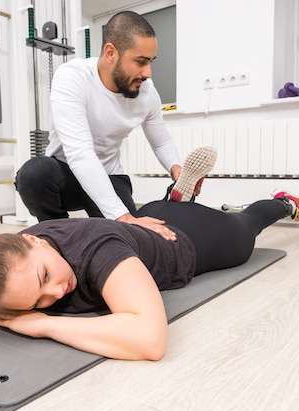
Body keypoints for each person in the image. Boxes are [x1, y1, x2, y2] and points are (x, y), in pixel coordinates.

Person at [0, 181, 299, 362]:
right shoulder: (17, 252)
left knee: (248, 225)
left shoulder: (99, 253)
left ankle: (283, 203)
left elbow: (150, 341)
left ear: (34, 239)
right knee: (161, 211)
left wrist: (42, 325)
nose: (56, 294)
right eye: (38, 301)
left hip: (196, 238)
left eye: (45, 278)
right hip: (146, 218)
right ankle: (177, 198)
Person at [14, 10, 203, 241]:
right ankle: (59, 235)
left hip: (110, 175)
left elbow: (161, 139)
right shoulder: (72, 78)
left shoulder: (147, 91)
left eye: (151, 62)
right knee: (33, 174)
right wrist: (122, 217)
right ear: (111, 52)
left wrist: (177, 171)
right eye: (140, 62)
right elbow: (80, 154)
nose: (148, 73)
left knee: (129, 239)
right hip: (65, 175)